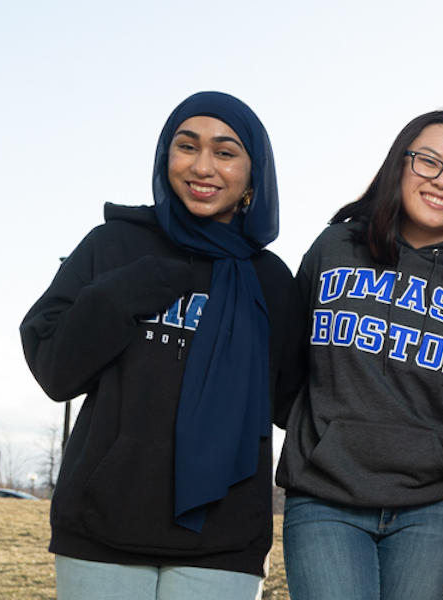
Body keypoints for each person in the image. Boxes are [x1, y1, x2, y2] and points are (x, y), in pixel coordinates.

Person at [19, 91, 302, 599]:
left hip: (224, 541)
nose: (202, 166)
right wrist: (124, 290)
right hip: (101, 530)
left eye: (225, 151)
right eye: (186, 146)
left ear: (253, 174)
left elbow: (295, 403)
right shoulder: (113, 247)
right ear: (164, 156)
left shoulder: (272, 281)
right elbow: (55, 370)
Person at [274, 110, 443, 600]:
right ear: (398, 164)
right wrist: (321, 438)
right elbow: (287, 363)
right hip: (325, 495)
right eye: (428, 161)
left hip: (431, 508)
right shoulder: (336, 247)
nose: (442, 181)